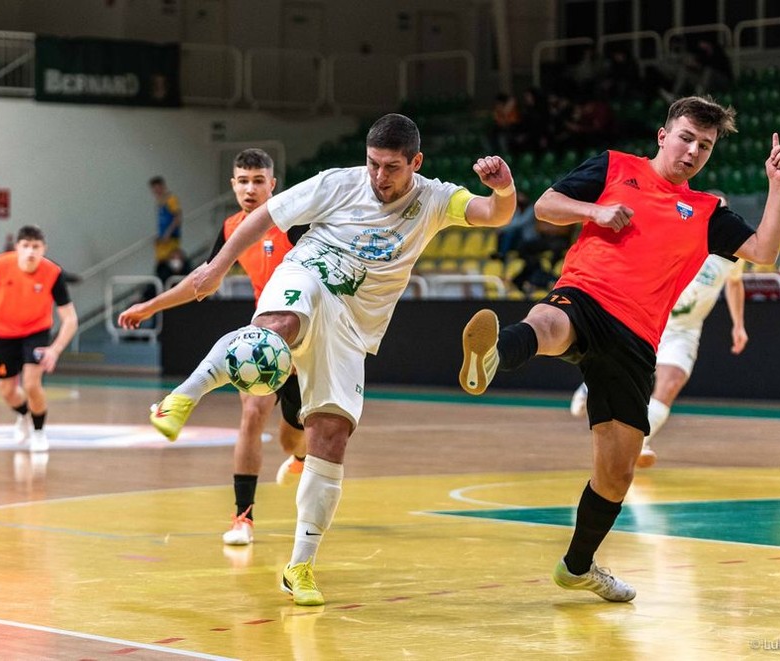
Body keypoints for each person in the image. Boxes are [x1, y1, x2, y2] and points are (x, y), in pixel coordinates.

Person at [148, 114, 515, 606]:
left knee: (330, 434)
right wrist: (216, 268)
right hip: (309, 275)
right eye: (373, 164)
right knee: (274, 334)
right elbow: (267, 217)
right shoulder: (338, 183)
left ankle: (299, 565)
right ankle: (180, 398)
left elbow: (494, 215)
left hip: (353, 326)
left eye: (391, 168)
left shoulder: (434, 199)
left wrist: (505, 189)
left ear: (416, 163)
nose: (379, 177)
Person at [458, 96, 780, 602]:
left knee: (616, 476)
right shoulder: (616, 166)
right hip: (588, 293)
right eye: (686, 138)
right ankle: (492, 356)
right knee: (548, 321)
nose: (693, 151)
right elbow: (547, 205)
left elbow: (764, 253)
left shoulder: (706, 212)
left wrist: (778, 184)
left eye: (704, 146)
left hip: (637, 338)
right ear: (663, 136)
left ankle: (577, 566)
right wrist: (595, 209)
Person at [120, 149, 307, 547]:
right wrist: (150, 305)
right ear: (233, 185)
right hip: (264, 343)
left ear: (273, 184)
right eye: (243, 181)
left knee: (295, 439)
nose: (250, 189)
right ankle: (243, 518)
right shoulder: (233, 228)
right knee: (252, 414)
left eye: (259, 181)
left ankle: (302, 458)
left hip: (307, 338)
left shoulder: (293, 223)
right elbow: (202, 279)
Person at [570, 192, 748, 468]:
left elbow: (734, 284)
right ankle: (590, 385)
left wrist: (738, 324)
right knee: (626, 375)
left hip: (684, 329)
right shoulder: (676, 235)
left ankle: (639, 441)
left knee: (671, 382)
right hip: (650, 318)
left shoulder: (732, 255)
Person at [0, 225, 79, 453]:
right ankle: (25, 415)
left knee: (31, 383)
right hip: (4, 332)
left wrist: (55, 350)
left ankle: (39, 432)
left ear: (44, 249)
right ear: (17, 247)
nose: (30, 252)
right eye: (25, 246)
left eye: (36, 246)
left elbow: (70, 319)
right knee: (6, 390)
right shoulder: (0, 264)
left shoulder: (53, 274)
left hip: (36, 331)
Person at [149, 175, 183, 264]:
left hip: (171, 238)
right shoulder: (159, 202)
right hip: (162, 238)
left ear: (163, 187)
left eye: (158, 188)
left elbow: (177, 218)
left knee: (171, 262)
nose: (156, 191)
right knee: (160, 261)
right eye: (154, 189)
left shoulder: (171, 200)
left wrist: (168, 233)